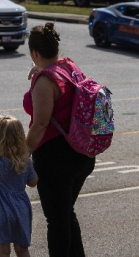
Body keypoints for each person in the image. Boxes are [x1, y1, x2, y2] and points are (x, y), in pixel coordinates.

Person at [24, 22, 95, 257]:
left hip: (57, 160)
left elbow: (40, 125)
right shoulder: (69, 67)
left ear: (35, 53)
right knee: (65, 215)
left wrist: (21, 155)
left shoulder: (46, 82)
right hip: (82, 153)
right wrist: (39, 71)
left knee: (56, 221)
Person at [0, 115, 38, 257]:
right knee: (22, 249)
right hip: (20, 209)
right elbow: (33, 183)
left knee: (3, 251)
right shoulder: (24, 161)